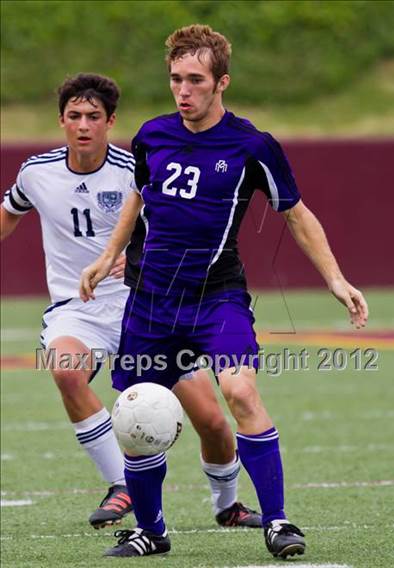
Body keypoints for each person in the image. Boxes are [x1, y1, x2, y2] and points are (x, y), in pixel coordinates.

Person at [80, 24, 369, 560]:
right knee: (139, 414)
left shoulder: (251, 145)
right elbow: (136, 199)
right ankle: (152, 531)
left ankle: (278, 522)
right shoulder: (152, 135)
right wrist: (105, 256)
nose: (183, 91)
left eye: (195, 80)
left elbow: (297, 215)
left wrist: (335, 277)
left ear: (221, 83)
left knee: (239, 392)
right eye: (175, 80)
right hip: (150, 300)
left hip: (217, 297)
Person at [0, 73, 262, 531]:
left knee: (214, 424)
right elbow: (9, 213)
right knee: (64, 368)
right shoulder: (36, 173)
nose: (84, 125)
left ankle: (228, 505)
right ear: (61, 120)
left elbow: (178, 222)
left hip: (146, 307)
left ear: (110, 121)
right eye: (75, 116)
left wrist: (133, 254)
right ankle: (121, 483)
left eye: (94, 117)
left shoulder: (135, 167)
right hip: (76, 309)